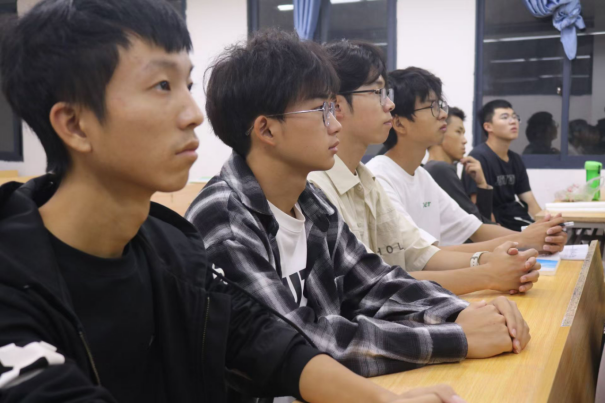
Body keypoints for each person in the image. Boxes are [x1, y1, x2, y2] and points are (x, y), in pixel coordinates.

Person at [0, 1, 459, 403]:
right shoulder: (15, 286)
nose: (193, 114)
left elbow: (269, 343)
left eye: (187, 85)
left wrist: (382, 399)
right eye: (161, 86)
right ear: (75, 124)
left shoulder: (172, 250)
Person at [187, 30, 533, 380]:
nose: (335, 123)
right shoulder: (226, 221)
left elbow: (376, 283)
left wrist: (463, 313)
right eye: (322, 110)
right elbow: (301, 345)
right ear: (267, 130)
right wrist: (457, 337)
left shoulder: (311, 203)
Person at [307, 42, 553, 296]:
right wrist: (490, 271)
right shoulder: (322, 186)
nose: (389, 105)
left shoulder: (368, 180)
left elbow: (420, 253)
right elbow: (367, 285)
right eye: (378, 93)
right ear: (337, 105)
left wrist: (489, 260)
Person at [368, 68, 566, 249]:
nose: (443, 115)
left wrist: (536, 237)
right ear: (399, 124)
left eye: (441, 105)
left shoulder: (421, 176)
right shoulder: (379, 178)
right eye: (432, 107)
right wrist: (524, 240)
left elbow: (475, 229)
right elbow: (423, 257)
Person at [461, 100, 543, 232]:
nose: (513, 121)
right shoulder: (478, 158)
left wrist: (547, 223)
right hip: (497, 227)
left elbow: (529, 201)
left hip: (517, 219)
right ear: (488, 127)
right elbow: (478, 209)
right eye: (505, 117)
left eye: (515, 117)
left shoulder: (515, 159)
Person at [425, 107, 494, 223]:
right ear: (439, 132)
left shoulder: (433, 168)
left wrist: (482, 184)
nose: (465, 140)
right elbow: (477, 224)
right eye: (458, 132)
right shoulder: (441, 169)